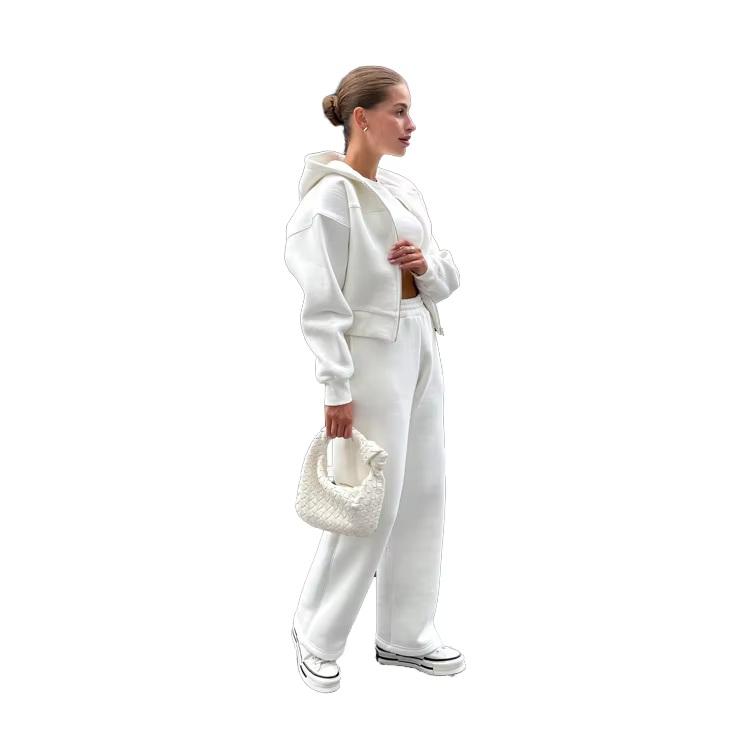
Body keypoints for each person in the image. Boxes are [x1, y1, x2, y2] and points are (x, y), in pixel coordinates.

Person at [284, 66, 464, 693]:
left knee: (424, 491)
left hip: (421, 341)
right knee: (369, 499)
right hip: (370, 355)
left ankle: (406, 634)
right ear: (361, 117)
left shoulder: (403, 189)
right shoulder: (328, 202)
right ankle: (316, 632)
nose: (411, 125)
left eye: (410, 111)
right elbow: (321, 307)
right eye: (398, 111)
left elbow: (447, 272)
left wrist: (425, 266)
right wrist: (336, 389)